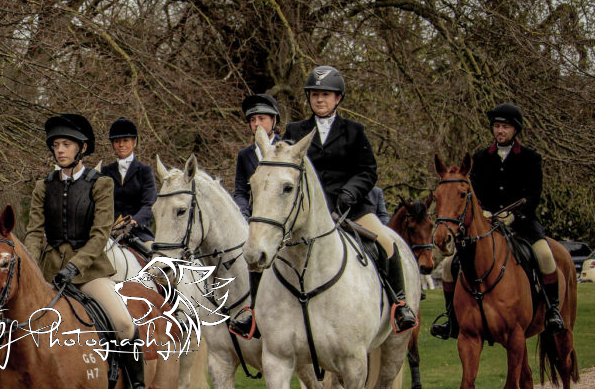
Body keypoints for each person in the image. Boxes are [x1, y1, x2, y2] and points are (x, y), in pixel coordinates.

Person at [230, 66, 416, 338]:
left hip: (351, 208)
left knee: (386, 243)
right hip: (309, 212)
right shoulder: (296, 130)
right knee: (263, 246)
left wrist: (351, 192)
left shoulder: (354, 131)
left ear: (337, 98)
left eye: (326, 95)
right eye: (315, 95)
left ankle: (399, 304)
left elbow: (368, 171)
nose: (320, 99)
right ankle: (254, 312)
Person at [25, 114, 148, 389]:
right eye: (56, 145)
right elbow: (34, 232)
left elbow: (99, 235)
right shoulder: (43, 186)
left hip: (90, 271)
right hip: (50, 273)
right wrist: (32, 268)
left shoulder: (101, 184)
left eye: (66, 144)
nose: (60, 150)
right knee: (21, 326)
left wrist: (74, 267)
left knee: (123, 322)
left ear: (81, 148)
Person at [431, 103, 564, 339]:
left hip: (522, 224)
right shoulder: (481, 158)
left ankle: (552, 310)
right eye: (497, 126)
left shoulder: (531, 158)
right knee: (450, 265)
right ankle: (451, 319)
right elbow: (475, 193)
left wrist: (513, 215)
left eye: (505, 127)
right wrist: (483, 212)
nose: (500, 131)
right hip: (487, 225)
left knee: (545, 256)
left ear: (515, 130)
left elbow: (534, 195)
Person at [230, 92, 283, 337]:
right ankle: (255, 311)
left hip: (283, 219)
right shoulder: (245, 155)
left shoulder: (286, 148)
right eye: (253, 120)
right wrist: (243, 211)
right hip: (257, 218)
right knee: (251, 255)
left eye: (262, 119)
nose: (257, 124)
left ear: (274, 121)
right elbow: (241, 191)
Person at [99, 117, 157, 257]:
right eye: (117, 141)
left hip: (138, 232)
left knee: (159, 261)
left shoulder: (145, 171)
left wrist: (134, 221)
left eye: (125, 140)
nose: (121, 145)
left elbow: (149, 204)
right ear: (112, 144)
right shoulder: (104, 172)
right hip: (109, 232)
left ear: (134, 142)